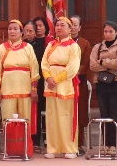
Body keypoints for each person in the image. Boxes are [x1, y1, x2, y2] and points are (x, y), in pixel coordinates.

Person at [41, 16, 83, 158]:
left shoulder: (73, 46)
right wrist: (48, 77)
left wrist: (57, 79)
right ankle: (53, 148)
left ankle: (69, 148)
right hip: (51, 84)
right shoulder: (50, 45)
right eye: (57, 25)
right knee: (52, 116)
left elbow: (73, 67)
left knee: (66, 116)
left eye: (62, 25)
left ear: (70, 29)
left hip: (65, 84)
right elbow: (44, 63)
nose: (59, 27)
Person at [0, 20, 39, 137]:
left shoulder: (28, 47)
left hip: (25, 89)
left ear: (21, 32)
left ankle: (25, 147)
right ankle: (10, 148)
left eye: (15, 29)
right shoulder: (2, 48)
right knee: (7, 117)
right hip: (7, 89)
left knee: (25, 118)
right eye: (10, 29)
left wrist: (34, 89)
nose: (12, 31)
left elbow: (34, 69)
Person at [89, 22, 117, 150]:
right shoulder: (98, 47)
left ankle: (114, 144)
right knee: (103, 113)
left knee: (114, 114)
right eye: (105, 31)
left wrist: (103, 62)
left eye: (111, 31)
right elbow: (92, 65)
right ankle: (105, 144)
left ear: (116, 32)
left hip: (116, 83)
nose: (108, 34)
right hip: (101, 83)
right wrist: (110, 65)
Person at [70, 16, 93, 149]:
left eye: (75, 25)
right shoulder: (58, 43)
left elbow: (85, 63)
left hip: (78, 81)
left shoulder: (84, 43)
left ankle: (78, 144)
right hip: (63, 82)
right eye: (70, 24)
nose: (73, 27)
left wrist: (73, 72)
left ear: (79, 27)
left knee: (79, 113)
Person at [30, 16, 51, 147]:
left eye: (40, 25)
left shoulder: (50, 42)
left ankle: (47, 138)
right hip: (33, 79)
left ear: (46, 27)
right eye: (35, 26)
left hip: (47, 78)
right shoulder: (28, 43)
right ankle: (35, 140)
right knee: (35, 110)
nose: (38, 28)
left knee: (47, 109)